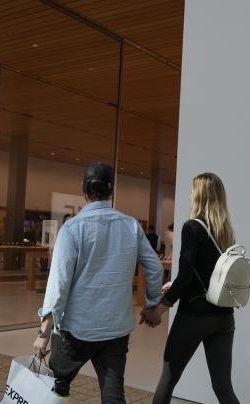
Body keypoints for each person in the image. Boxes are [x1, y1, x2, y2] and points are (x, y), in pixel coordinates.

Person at [32, 162, 164, 403]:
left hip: (75, 330)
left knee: (53, 388)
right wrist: (152, 304)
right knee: (113, 394)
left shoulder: (72, 229)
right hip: (115, 328)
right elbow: (154, 267)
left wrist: (44, 331)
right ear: (111, 190)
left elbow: (59, 282)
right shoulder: (131, 225)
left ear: (84, 190)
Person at [149, 173, 241, 404]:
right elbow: (211, 273)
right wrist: (177, 283)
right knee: (223, 388)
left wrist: (158, 310)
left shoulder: (192, 227)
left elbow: (186, 277)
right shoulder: (225, 231)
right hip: (223, 317)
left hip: (195, 316)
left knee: (168, 381)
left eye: (192, 191)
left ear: (198, 195)